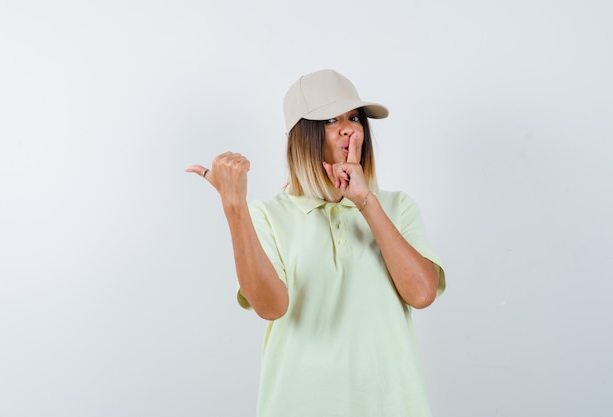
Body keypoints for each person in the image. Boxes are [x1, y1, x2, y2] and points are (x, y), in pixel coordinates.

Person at [186, 69, 446, 417]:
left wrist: (365, 201)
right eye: (329, 119)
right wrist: (235, 208)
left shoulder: (397, 208)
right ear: (303, 135)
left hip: (391, 405)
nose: (348, 128)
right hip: (299, 405)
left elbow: (422, 293)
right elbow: (270, 306)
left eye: (354, 118)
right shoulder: (268, 215)